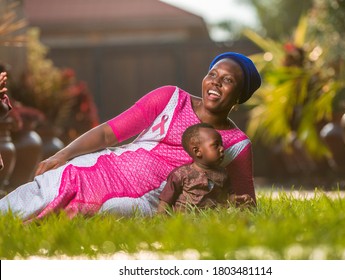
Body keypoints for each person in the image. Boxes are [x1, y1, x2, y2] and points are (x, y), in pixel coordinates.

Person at [0, 52, 262, 221]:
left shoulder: (237, 145)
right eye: (213, 74)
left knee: (113, 213)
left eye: (227, 80)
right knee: (51, 185)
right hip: (104, 169)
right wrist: (62, 155)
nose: (215, 82)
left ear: (239, 96)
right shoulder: (171, 98)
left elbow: (246, 204)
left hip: (147, 200)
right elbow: (107, 133)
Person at [157, 123, 254, 214]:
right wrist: (161, 217)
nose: (222, 149)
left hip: (211, 219)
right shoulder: (181, 174)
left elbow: (226, 197)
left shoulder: (223, 174)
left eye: (222, 145)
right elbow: (166, 200)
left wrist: (238, 198)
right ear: (197, 151)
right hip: (184, 220)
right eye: (216, 145)